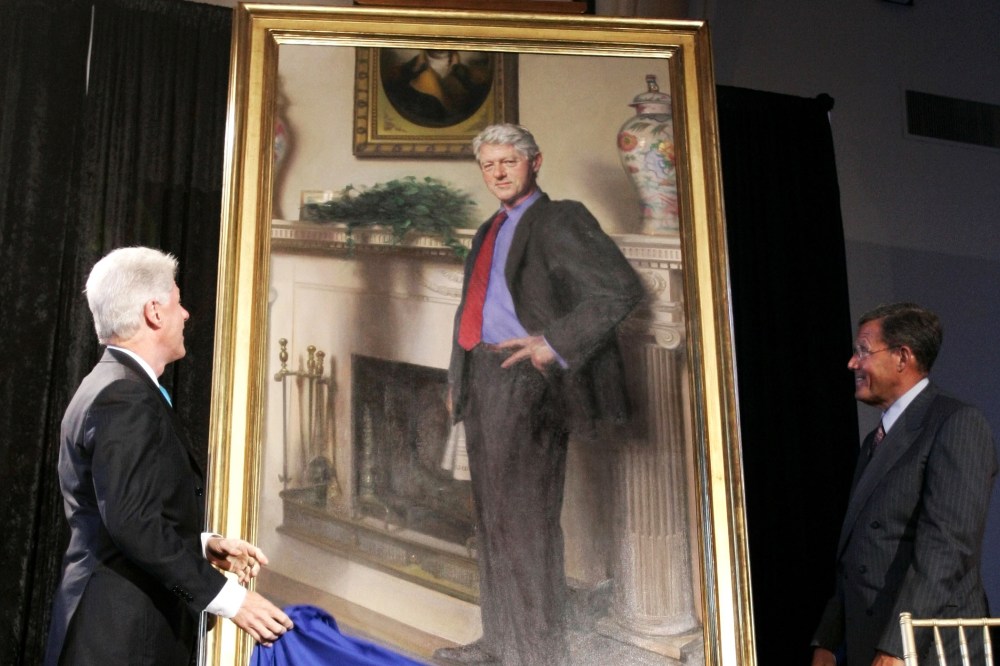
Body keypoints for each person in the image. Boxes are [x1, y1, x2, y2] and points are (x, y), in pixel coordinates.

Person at [435, 124, 644, 665]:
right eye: (489, 164)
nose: (499, 172)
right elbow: (474, 308)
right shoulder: (489, 228)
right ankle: (500, 643)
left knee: (526, 523)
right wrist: (459, 378)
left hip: (528, 382)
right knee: (493, 521)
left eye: (509, 161)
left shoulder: (561, 218)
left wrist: (553, 344)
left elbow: (621, 289)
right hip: (483, 378)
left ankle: (536, 654)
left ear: (535, 162)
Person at [45, 247, 293, 665]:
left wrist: (201, 544)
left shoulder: (110, 384)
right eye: (178, 303)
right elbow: (131, 522)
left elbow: (121, 515)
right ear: (155, 313)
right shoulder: (123, 396)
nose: (186, 315)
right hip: (120, 640)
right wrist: (231, 600)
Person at [811, 302, 997, 666]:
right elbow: (858, 549)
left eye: (862, 350)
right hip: (875, 640)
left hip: (930, 646)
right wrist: (828, 641)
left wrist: (900, 643)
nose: (852, 363)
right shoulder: (875, 442)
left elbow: (947, 547)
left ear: (902, 357)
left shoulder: (956, 423)